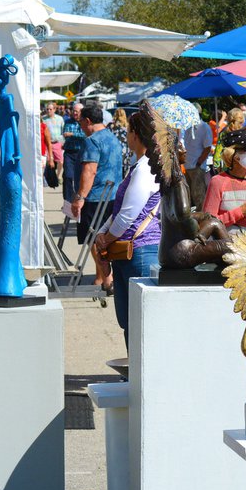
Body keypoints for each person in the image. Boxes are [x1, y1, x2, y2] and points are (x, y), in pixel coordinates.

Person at [93, 108, 161, 348]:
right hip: (132, 250)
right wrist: (104, 233)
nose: (127, 135)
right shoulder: (141, 165)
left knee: (137, 320)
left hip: (138, 251)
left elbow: (128, 215)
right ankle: (134, 373)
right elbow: (121, 212)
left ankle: (139, 375)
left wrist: (106, 238)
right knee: (129, 320)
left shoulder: (145, 169)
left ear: (135, 135)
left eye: (129, 131)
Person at [71, 102, 124, 291]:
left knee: (93, 238)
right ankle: (101, 277)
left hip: (95, 197)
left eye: (81, 124)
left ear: (87, 121)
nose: (81, 128)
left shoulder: (92, 141)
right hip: (113, 195)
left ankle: (106, 278)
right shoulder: (113, 138)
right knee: (104, 238)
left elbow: (89, 171)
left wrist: (79, 197)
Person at [203, 130, 246, 245]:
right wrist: (240, 212)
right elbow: (207, 224)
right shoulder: (218, 182)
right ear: (233, 155)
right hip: (225, 249)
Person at [180, 115, 213, 209]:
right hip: (187, 165)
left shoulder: (204, 127)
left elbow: (208, 147)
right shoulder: (186, 126)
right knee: (188, 194)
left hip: (196, 165)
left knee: (199, 195)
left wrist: (199, 163)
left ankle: (203, 217)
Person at [62, 102, 86, 203]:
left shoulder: (85, 121)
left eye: (77, 111)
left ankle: (80, 198)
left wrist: (72, 134)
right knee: (68, 176)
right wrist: (75, 135)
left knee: (80, 177)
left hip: (81, 152)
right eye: (74, 111)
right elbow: (65, 134)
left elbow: (85, 135)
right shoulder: (68, 121)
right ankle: (68, 200)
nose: (74, 113)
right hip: (69, 152)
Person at [43, 102, 65, 178]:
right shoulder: (43, 119)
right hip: (47, 143)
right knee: (48, 161)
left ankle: (58, 176)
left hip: (57, 143)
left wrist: (62, 142)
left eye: (50, 109)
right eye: (47, 109)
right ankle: (49, 177)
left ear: (54, 109)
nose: (49, 110)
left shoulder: (60, 119)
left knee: (61, 161)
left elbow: (63, 131)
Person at [108, 108, 131, 177]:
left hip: (114, 152)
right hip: (125, 152)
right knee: (124, 175)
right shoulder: (127, 126)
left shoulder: (111, 126)